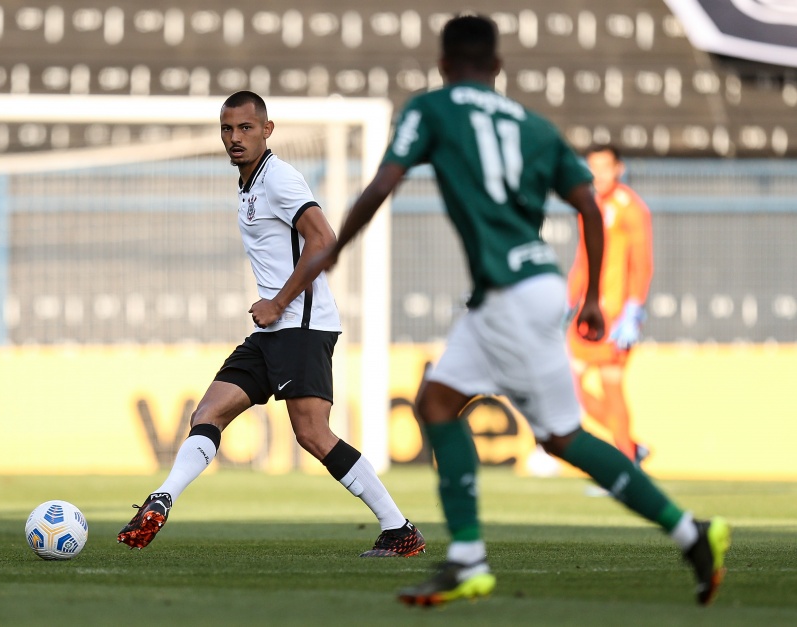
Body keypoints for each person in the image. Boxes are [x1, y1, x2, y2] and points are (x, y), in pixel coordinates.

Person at [302, 15, 729, 607]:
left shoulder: (432, 109)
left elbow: (380, 186)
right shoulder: (533, 124)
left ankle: (470, 559)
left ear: (444, 64)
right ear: (497, 67)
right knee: (486, 415)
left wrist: (334, 252)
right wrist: (592, 301)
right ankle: (690, 533)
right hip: (536, 285)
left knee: (497, 418)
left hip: (507, 291)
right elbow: (588, 204)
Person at [117, 90, 425, 559]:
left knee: (313, 435)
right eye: (227, 128)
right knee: (209, 414)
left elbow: (324, 239)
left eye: (245, 128)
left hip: (300, 323)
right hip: (271, 331)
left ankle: (399, 529)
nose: (234, 138)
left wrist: (279, 303)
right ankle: (162, 499)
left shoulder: (280, 178)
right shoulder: (250, 182)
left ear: (267, 129)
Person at [567, 143, 653, 464]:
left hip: (614, 314)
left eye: (604, 166)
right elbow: (582, 260)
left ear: (619, 168)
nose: (597, 174)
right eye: (592, 166)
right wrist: (568, 300)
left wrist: (633, 308)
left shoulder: (630, 207)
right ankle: (629, 447)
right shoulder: (589, 205)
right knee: (568, 382)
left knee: (610, 386)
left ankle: (627, 460)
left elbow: (642, 263)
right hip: (587, 312)